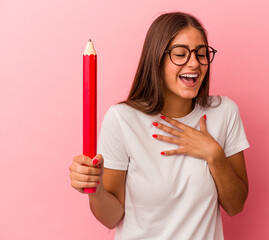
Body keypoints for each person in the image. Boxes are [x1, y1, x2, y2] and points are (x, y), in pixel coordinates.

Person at [69, 12, 250, 240]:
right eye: (181, 54)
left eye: (202, 54)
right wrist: (95, 190)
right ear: (157, 58)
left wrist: (213, 154)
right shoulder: (122, 119)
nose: (194, 63)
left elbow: (236, 205)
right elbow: (111, 217)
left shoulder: (224, 112)